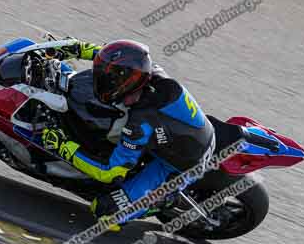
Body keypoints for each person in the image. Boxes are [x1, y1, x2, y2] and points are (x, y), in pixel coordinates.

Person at [41, 39, 215, 228]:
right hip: (183, 133)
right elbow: (118, 61)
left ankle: (166, 199)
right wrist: (79, 48)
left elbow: (109, 172)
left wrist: (63, 147)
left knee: (105, 213)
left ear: (126, 83)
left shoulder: (140, 123)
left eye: (111, 80)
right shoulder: (145, 70)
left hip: (179, 165)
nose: (104, 81)